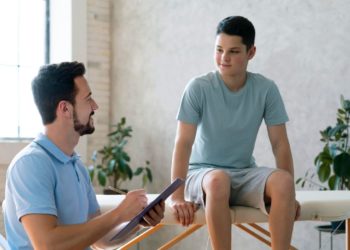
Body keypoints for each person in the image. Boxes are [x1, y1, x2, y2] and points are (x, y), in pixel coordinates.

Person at [169, 16, 300, 250]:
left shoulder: (266, 89)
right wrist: (177, 197)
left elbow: (280, 144)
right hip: (203, 175)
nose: (224, 58)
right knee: (219, 180)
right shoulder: (198, 88)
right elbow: (183, 143)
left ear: (251, 52)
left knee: (283, 183)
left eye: (233, 51)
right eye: (219, 50)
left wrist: (290, 196)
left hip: (243, 173)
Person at [3, 62, 165, 249]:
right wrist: (119, 213)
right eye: (88, 99)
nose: (95, 106)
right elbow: (47, 244)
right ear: (65, 109)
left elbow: (101, 240)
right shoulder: (30, 164)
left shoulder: (76, 165)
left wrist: (138, 221)